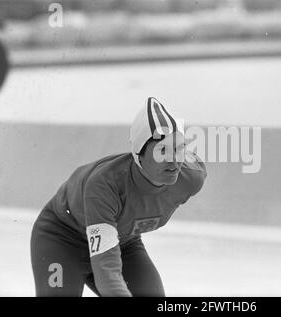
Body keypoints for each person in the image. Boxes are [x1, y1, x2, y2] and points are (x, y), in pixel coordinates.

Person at [30, 97, 207, 296]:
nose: (173, 159)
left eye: (179, 148)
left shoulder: (192, 176)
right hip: (63, 241)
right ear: (138, 155)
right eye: (162, 150)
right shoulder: (104, 186)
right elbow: (107, 273)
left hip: (124, 243)